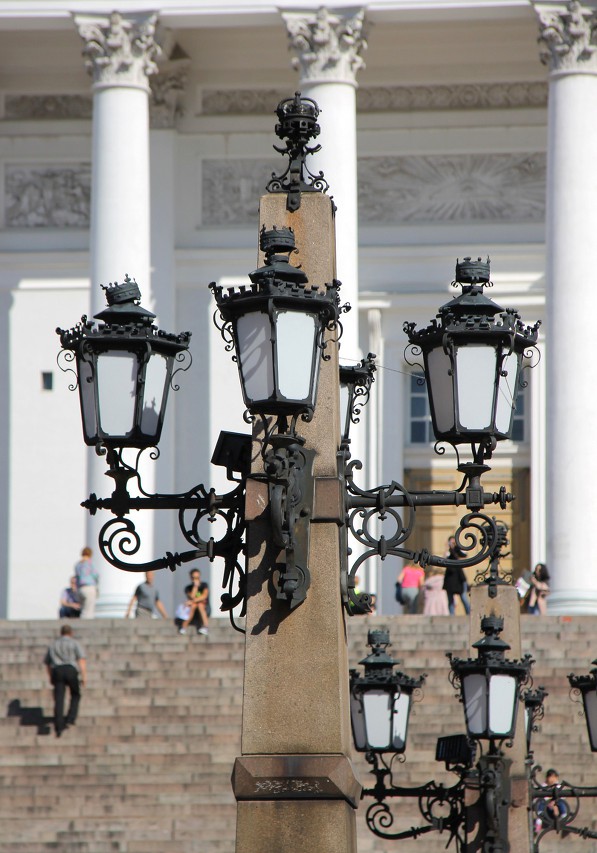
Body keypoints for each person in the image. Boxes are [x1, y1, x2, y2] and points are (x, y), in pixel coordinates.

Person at [43, 624, 86, 738]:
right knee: (75, 694)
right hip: (71, 670)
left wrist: (50, 676)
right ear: (71, 633)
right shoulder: (74, 643)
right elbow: (81, 660)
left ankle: (59, 725)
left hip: (57, 670)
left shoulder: (54, 645)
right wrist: (84, 676)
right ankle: (70, 718)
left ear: (61, 633)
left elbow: (47, 663)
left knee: (59, 698)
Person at [535, 768, 568, 833]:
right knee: (541, 802)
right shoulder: (543, 786)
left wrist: (554, 803)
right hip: (546, 807)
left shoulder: (558, 786)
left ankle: (564, 817)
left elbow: (563, 797)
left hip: (556, 806)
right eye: (550, 777)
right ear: (547, 778)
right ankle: (539, 821)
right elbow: (542, 796)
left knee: (561, 802)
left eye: (554, 777)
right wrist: (549, 803)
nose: (552, 779)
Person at [443, 536, 470, 615]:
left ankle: (469, 613)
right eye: (451, 542)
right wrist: (447, 548)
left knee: (463, 597)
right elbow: (444, 559)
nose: (452, 544)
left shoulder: (459, 550)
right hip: (450, 577)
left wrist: (455, 549)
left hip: (459, 577)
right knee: (450, 599)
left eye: (454, 542)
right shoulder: (447, 552)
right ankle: (452, 614)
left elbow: (463, 557)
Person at [178, 568, 210, 635]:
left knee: (199, 605)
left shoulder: (204, 585)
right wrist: (195, 587)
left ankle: (206, 626)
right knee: (194, 605)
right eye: (194, 578)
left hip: (204, 608)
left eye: (197, 578)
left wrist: (192, 601)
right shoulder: (188, 588)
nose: (195, 579)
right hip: (193, 609)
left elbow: (204, 596)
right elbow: (191, 596)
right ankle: (183, 627)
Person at [74, 546, 99, 619]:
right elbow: (95, 575)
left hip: (80, 589)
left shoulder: (78, 565)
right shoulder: (90, 563)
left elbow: (77, 577)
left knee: (83, 609)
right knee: (89, 610)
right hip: (89, 587)